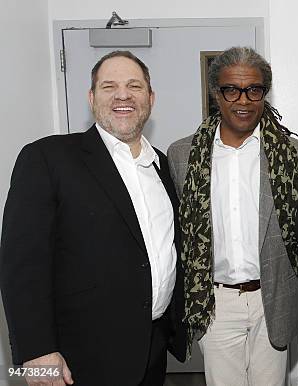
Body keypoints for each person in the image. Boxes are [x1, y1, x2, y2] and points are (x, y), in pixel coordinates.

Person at [0, 50, 186, 386]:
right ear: (91, 97)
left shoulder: (161, 164)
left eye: (134, 86)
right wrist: (37, 352)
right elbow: (22, 264)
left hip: (152, 350)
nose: (123, 95)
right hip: (78, 359)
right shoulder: (47, 158)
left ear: (150, 98)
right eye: (108, 86)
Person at [167, 46, 298, 386]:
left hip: (272, 297)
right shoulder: (182, 154)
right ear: (217, 93)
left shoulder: (292, 153)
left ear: (264, 94)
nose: (243, 101)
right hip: (215, 302)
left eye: (253, 90)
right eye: (231, 89)